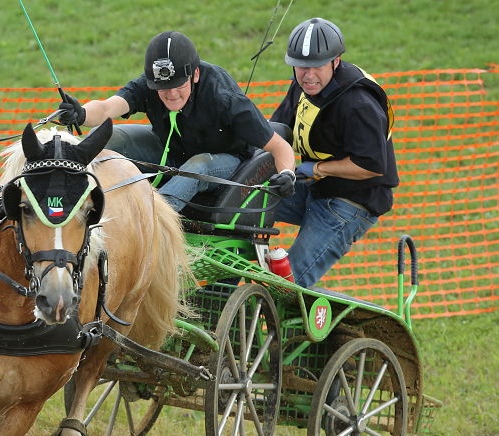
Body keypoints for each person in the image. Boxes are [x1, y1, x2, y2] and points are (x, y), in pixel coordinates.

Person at [56, 31, 296, 212]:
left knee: (197, 166)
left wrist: (288, 174)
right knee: (113, 136)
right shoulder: (151, 83)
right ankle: (65, 195)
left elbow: (280, 146)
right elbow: (109, 107)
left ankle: (152, 222)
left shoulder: (224, 98)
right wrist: (81, 114)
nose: (171, 94)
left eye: (178, 85)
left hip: (222, 161)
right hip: (171, 151)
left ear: (196, 75)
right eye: (162, 88)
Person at [270, 17, 399, 288]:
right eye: (300, 66)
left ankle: (274, 309)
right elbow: (277, 132)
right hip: (314, 188)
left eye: (316, 65)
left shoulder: (357, 104)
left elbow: (373, 165)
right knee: (244, 203)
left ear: (335, 61)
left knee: (289, 284)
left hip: (350, 203)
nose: (308, 75)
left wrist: (317, 169)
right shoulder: (302, 87)